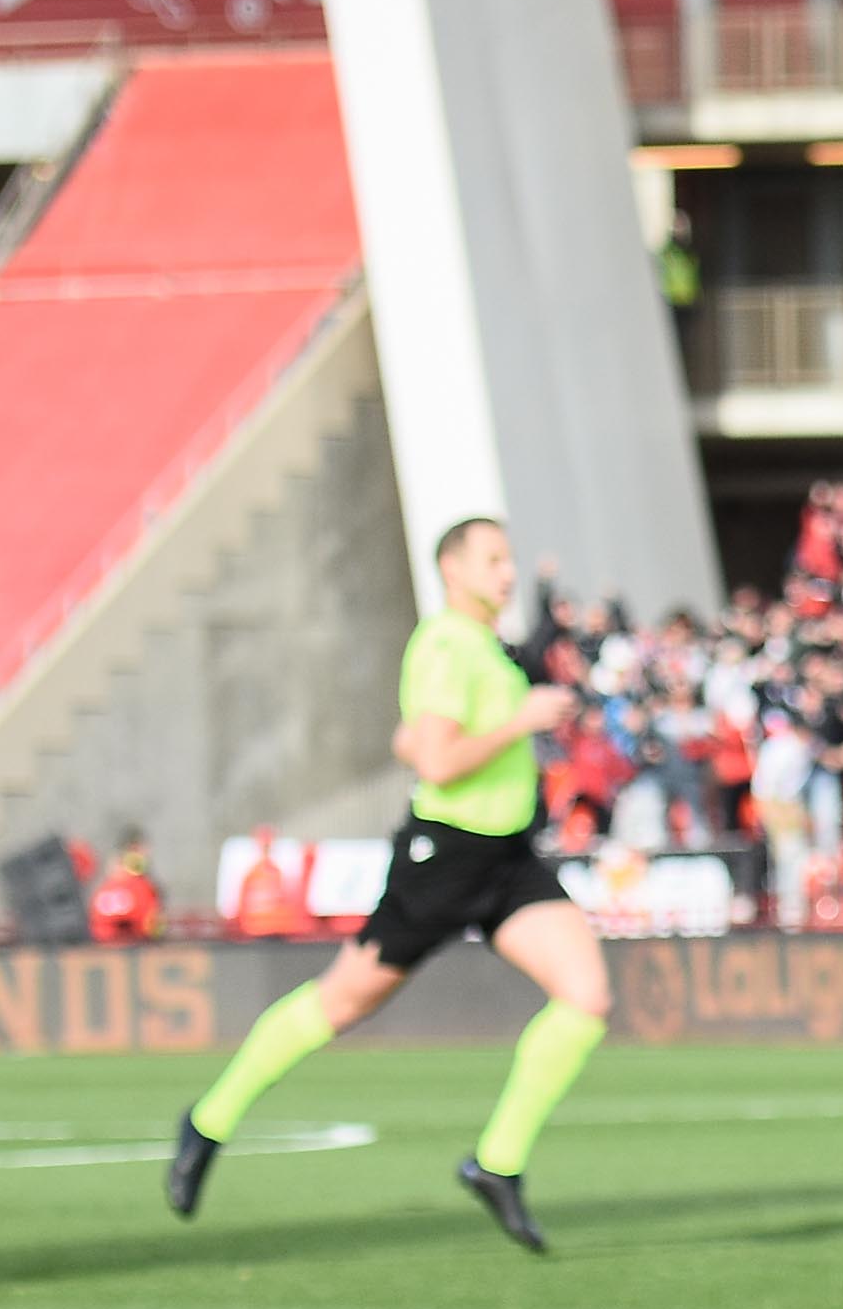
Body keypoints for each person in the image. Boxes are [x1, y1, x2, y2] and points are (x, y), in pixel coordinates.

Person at [166, 519, 610, 1250]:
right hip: (445, 857)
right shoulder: (443, 643)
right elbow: (436, 761)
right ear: (451, 568)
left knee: (587, 996)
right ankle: (209, 1120)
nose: (507, 573)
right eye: (492, 559)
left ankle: (497, 1164)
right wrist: (522, 720)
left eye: (509, 559)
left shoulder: (486, 650)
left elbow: (414, 738)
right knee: (341, 1002)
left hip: (507, 858)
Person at [87, 831, 161, 943]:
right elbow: (150, 926)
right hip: (128, 948)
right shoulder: (138, 888)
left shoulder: (103, 889)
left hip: (105, 948)